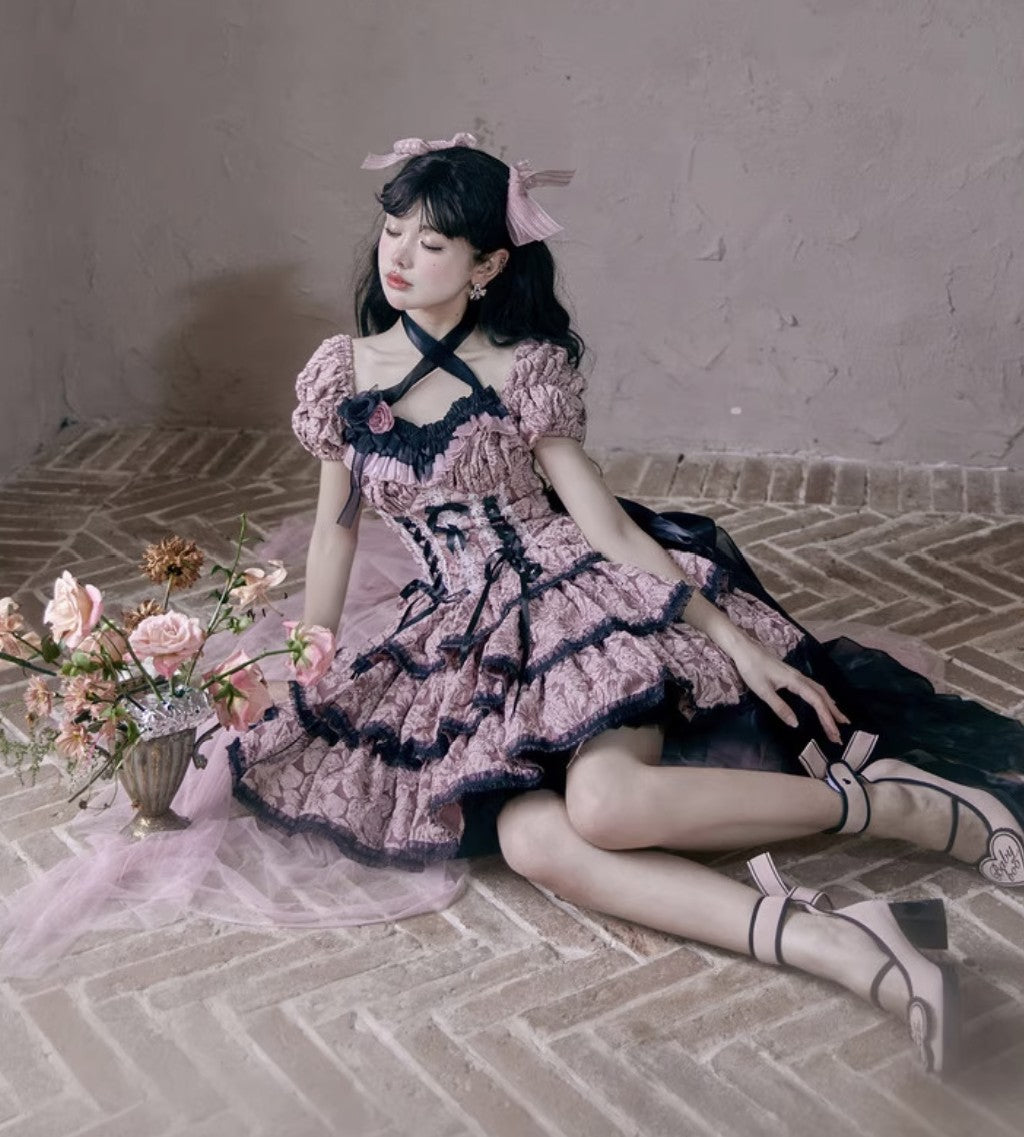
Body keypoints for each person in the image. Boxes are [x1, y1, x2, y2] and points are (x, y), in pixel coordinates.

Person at [227, 132, 1024, 1076]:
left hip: (573, 600)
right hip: (457, 634)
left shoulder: (523, 370)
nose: (398, 256)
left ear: (488, 265)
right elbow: (336, 531)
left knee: (602, 807)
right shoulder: (340, 371)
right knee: (531, 840)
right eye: (392, 229)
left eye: (432, 242)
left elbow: (605, 527)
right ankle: (851, 947)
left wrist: (731, 637)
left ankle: (901, 808)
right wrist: (309, 654)